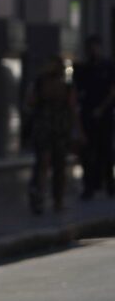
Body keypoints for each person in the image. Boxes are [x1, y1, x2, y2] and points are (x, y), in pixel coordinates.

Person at [25, 56, 79, 214]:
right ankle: (39, 195)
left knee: (59, 165)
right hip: (44, 128)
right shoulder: (39, 83)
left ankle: (57, 200)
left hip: (60, 129)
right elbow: (30, 102)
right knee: (43, 161)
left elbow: (73, 108)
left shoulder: (67, 86)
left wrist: (77, 131)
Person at [73, 35, 115, 199]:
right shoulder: (83, 69)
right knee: (87, 152)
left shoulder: (108, 66)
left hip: (104, 116)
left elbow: (112, 91)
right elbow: (76, 93)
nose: (93, 50)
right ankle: (89, 185)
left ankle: (109, 184)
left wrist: (102, 108)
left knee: (105, 150)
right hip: (87, 116)